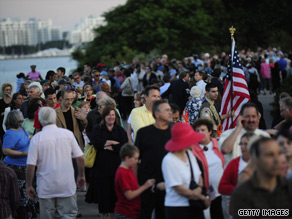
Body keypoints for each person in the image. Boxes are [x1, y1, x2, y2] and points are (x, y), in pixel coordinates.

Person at [26, 107, 85, 218]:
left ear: (40, 120)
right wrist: (81, 175)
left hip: (45, 186)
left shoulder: (36, 139)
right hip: (66, 185)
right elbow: (80, 157)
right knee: (68, 215)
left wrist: (29, 184)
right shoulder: (68, 134)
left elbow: (31, 165)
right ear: (56, 119)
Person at [230, 137, 292, 218]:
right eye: (270, 155)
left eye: (279, 153)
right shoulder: (241, 194)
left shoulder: (289, 187)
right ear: (255, 160)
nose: (277, 160)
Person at [162, 122, 210, 219]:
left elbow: (199, 175)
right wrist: (201, 197)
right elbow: (178, 188)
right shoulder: (169, 160)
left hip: (194, 205)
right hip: (177, 209)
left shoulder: (189, 154)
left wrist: (199, 188)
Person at [134, 100, 173, 219]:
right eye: (167, 110)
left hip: (168, 184)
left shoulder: (174, 132)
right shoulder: (144, 133)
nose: (170, 113)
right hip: (146, 184)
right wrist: (136, 184)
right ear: (157, 114)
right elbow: (135, 159)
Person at [90, 106, 128, 219]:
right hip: (100, 169)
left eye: (113, 115)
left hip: (116, 168)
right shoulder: (98, 128)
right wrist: (112, 143)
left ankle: (112, 216)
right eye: (108, 115)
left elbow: (124, 146)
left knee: (114, 196)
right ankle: (103, 216)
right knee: (103, 196)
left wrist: (107, 146)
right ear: (104, 116)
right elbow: (95, 142)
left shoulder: (120, 130)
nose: (111, 117)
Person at [2, 110, 38, 218]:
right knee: (21, 195)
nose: (23, 118)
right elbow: (6, 151)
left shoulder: (21, 129)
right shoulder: (10, 133)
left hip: (25, 166)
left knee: (28, 193)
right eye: (20, 117)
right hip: (16, 167)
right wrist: (22, 153)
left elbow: (26, 138)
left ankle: (29, 213)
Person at [192, 119, 224, 219]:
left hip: (220, 193)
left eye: (203, 130)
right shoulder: (192, 149)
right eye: (197, 131)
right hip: (203, 194)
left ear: (210, 131)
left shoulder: (218, 144)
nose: (200, 133)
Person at [114, 143, 155, 219]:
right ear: (127, 158)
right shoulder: (122, 173)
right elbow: (129, 195)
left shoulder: (129, 169)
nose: (137, 161)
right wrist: (145, 186)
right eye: (135, 158)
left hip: (132, 212)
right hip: (125, 213)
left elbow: (134, 188)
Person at [218, 132, 254, 216]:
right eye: (241, 144)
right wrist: (239, 189)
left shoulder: (262, 163)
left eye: (246, 144)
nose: (243, 147)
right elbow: (221, 187)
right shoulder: (234, 164)